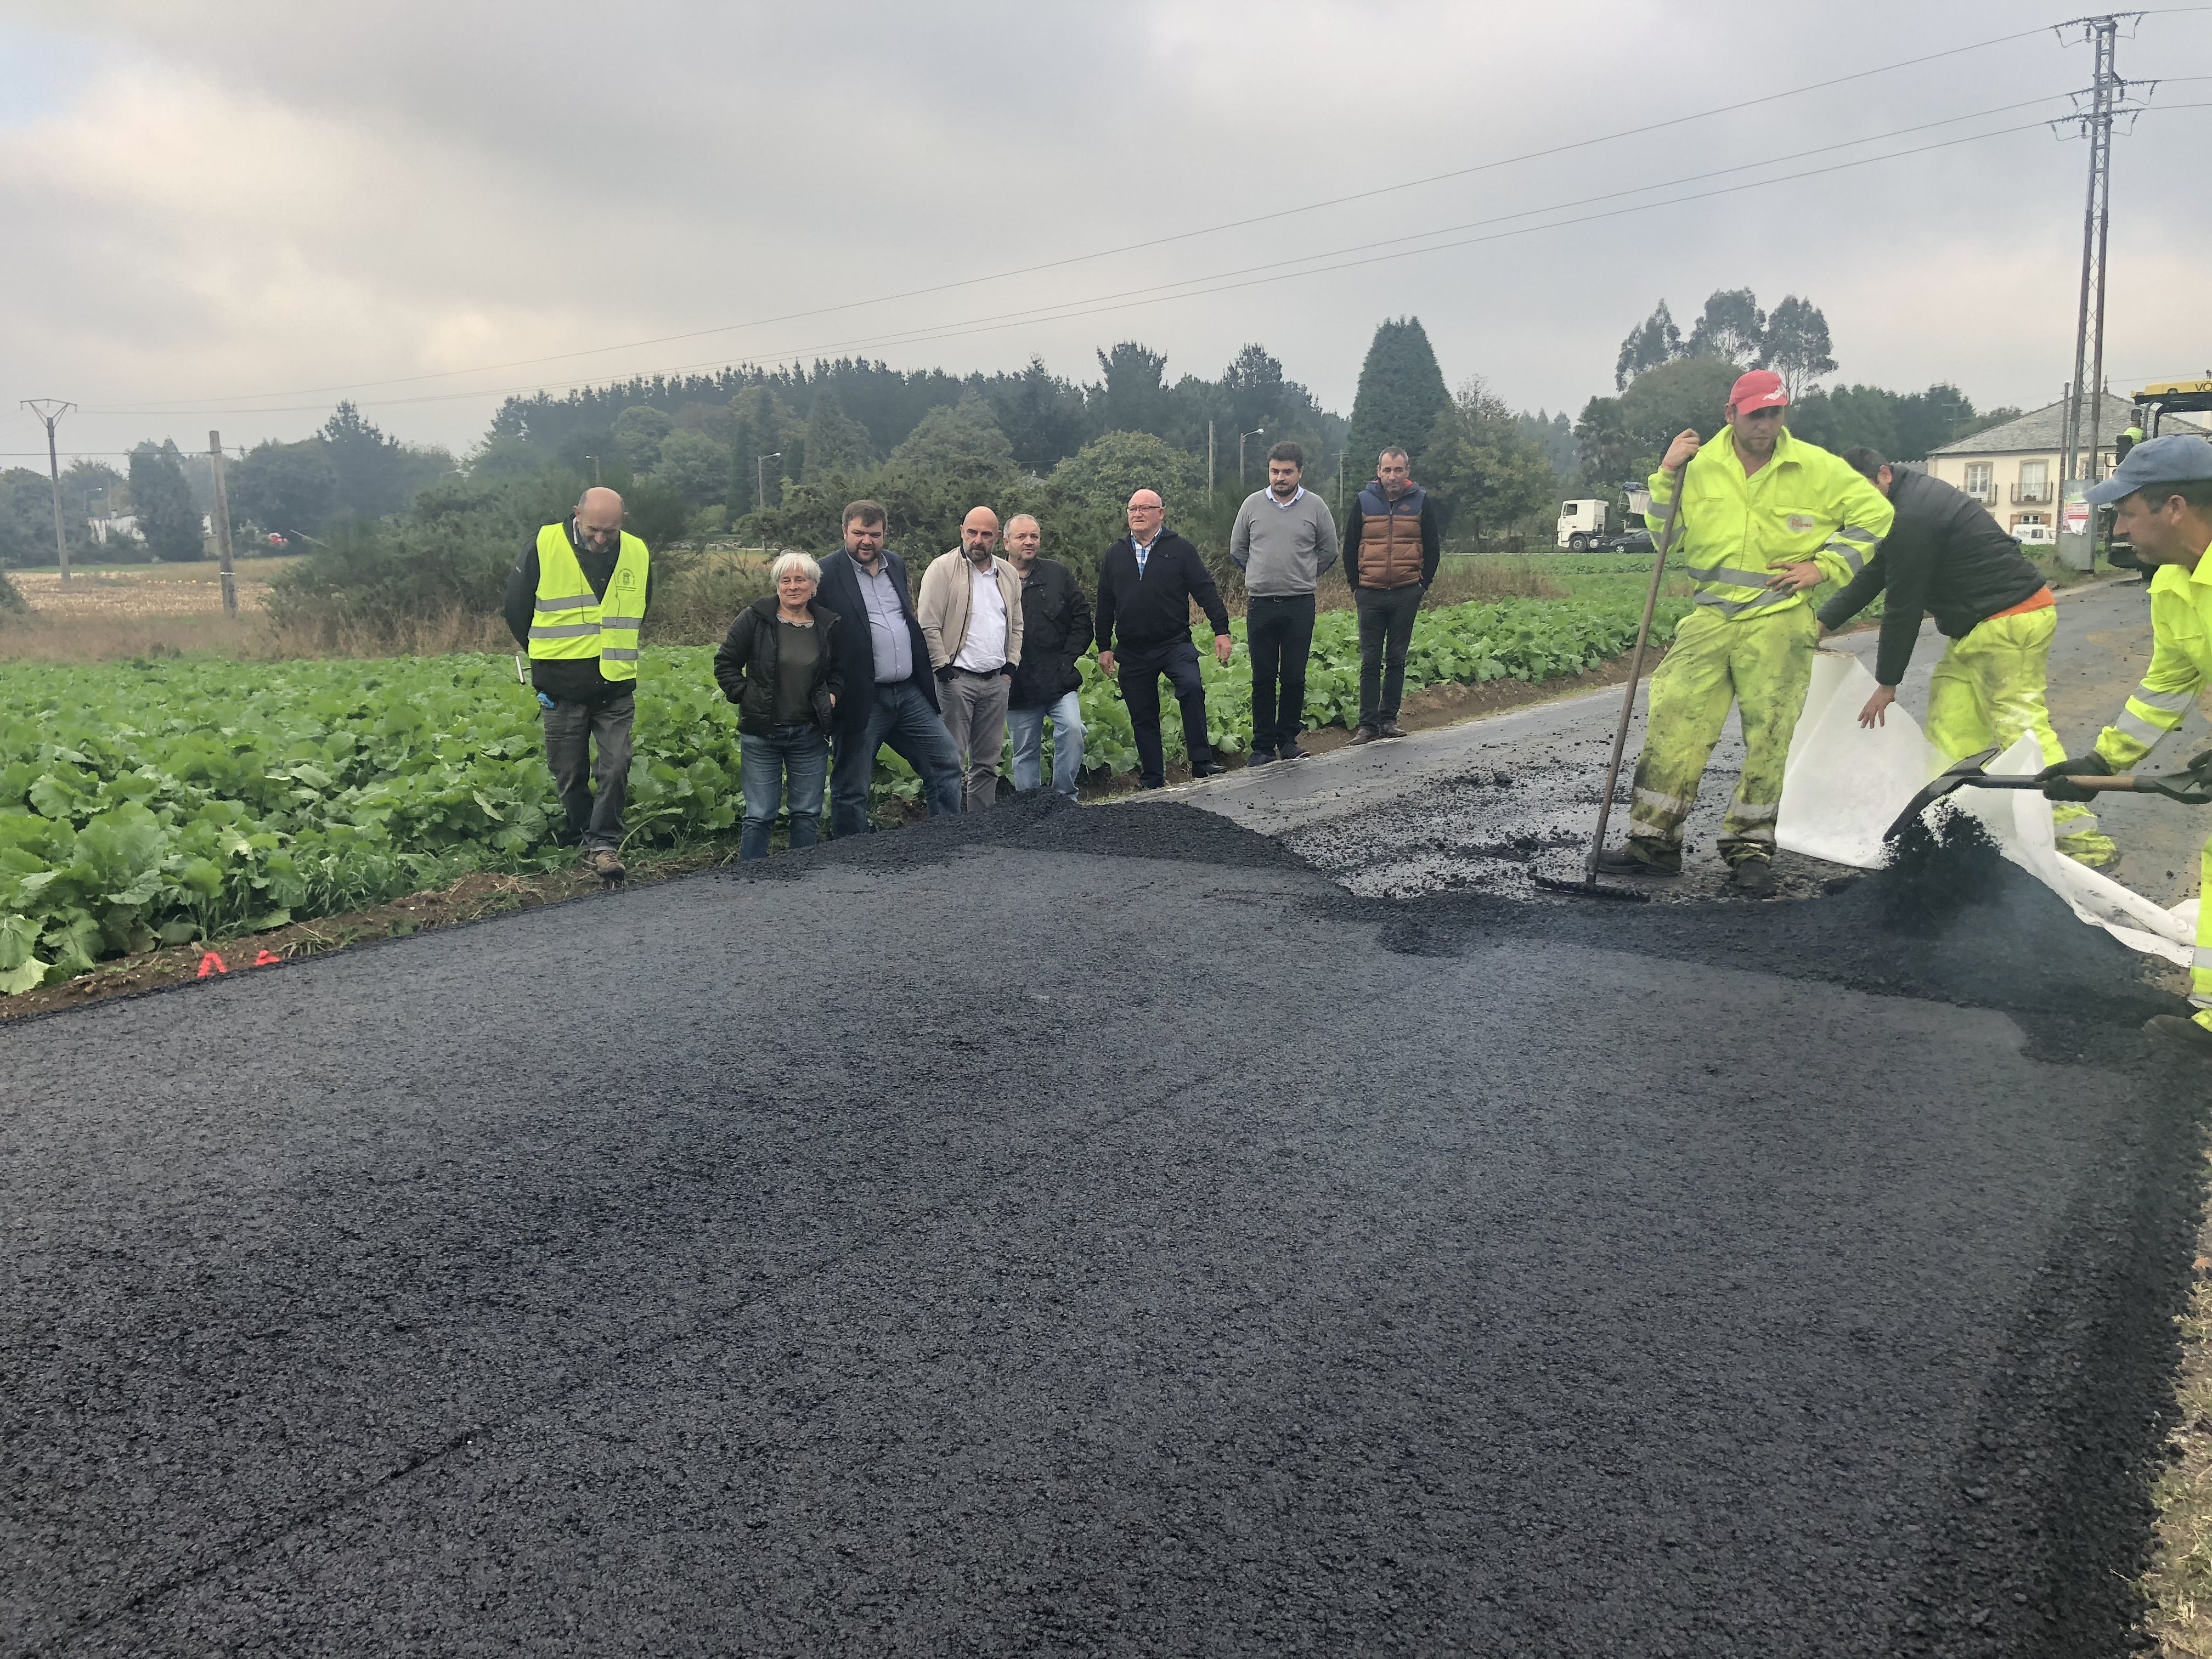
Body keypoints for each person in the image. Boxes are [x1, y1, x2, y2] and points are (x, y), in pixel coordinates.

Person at [1596, 368, 1894, 897]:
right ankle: (1653, 845)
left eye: (1774, 413)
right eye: (1755, 414)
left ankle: (1750, 848)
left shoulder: (1818, 469)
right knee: (1675, 719)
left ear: (1784, 415)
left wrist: (1824, 567)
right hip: (1710, 617)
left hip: (1778, 619)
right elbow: (1667, 536)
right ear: (1731, 415)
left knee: (1770, 736)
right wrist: (1666, 475)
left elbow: (1876, 516)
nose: (1765, 424)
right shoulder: (1697, 466)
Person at [1818, 448, 2114, 869]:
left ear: (1883, 474)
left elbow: (1903, 605)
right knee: (1950, 726)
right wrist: (1820, 624)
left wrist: (1887, 684)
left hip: (2011, 620)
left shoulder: (1912, 517)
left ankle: (2079, 840)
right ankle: (1956, 825)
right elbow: (1875, 575)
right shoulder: (1897, 507)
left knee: (2020, 727)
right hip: (1978, 628)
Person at [2038, 435, 2212, 1057]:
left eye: (2128, 513)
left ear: (2174, 507)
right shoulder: (2173, 583)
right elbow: (2167, 685)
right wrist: (2102, 763)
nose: (2119, 528)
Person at [502, 485, 652, 881]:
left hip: (615, 684)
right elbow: (517, 609)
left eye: (610, 531)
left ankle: (604, 843)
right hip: (560, 685)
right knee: (569, 773)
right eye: (593, 531)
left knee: (617, 764)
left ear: (623, 521)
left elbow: (641, 606)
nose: (601, 539)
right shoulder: (544, 543)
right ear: (576, 514)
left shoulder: (637, 551)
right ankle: (582, 834)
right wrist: (547, 656)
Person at [812, 500, 963, 836]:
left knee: (945, 762)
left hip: (909, 693)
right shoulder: (825, 573)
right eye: (859, 533)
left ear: (885, 535)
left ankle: (948, 839)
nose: (867, 541)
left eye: (875, 534)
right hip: (862, 695)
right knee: (852, 784)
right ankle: (853, 855)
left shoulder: (895, 564)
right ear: (845, 532)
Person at [1094, 489, 1233, 789]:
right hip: (1132, 649)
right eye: (1132, 508)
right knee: (1143, 716)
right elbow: (1105, 603)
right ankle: (1153, 779)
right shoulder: (1115, 554)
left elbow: (1205, 590)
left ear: (1162, 512)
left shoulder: (1180, 549)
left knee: (1192, 687)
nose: (1137, 514)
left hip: (1174, 642)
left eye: (1145, 508)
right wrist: (1104, 646)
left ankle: (1201, 762)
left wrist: (1221, 630)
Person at [712, 552, 844, 860]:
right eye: (786, 580)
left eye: (801, 580)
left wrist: (833, 694)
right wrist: (746, 695)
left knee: (807, 813)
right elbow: (726, 664)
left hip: (809, 734)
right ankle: (751, 881)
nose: (793, 587)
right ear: (777, 585)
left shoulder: (826, 624)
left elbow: (838, 671)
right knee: (760, 814)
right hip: (762, 734)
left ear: (814, 586)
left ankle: (799, 880)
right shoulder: (756, 618)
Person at [1231, 441, 1340, 763]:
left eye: (1287, 472)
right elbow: (1238, 549)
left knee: (1293, 676)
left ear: (1300, 473)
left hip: (1299, 604)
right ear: (1269, 471)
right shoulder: (1251, 506)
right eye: (1275, 471)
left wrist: (1303, 574)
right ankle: (1262, 747)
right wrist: (1261, 574)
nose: (1280, 478)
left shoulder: (1316, 507)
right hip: (1261, 604)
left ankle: (1289, 741)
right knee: (1263, 677)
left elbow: (1329, 550)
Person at [917, 506, 1025, 811]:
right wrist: (942, 669)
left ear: (997, 537)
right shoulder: (942, 569)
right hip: (957, 681)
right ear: (962, 531)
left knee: (987, 763)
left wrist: (1011, 668)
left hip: (996, 681)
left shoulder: (1007, 574)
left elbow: (1017, 623)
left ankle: (982, 827)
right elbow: (927, 623)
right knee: (951, 760)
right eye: (972, 532)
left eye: (986, 534)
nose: (978, 540)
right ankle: (950, 827)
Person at [1341, 446, 1440, 742]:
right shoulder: (1363, 501)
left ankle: (1389, 720)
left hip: (1405, 593)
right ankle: (1367, 725)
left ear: (1407, 472)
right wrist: (1356, 587)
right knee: (1370, 660)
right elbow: (1349, 547)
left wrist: (1421, 587)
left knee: (1396, 658)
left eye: (1398, 470)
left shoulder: (1421, 502)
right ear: (1379, 472)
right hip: (1370, 593)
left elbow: (1432, 548)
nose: (1392, 476)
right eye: (1387, 470)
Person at [1003, 513, 1092, 799]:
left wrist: (1067, 659)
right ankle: (1030, 809)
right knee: (1025, 750)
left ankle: (1065, 798)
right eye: (1021, 537)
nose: (1029, 542)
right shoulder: (993, 580)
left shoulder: (1058, 575)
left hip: (1058, 678)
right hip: (1016, 683)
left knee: (1073, 730)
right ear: (1006, 543)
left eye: (1034, 536)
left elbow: (1081, 619)